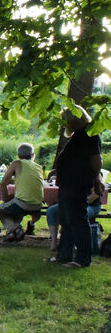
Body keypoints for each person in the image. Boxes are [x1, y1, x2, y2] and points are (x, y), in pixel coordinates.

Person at [51, 106, 103, 267]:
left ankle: (82, 258)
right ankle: (64, 255)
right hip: (68, 184)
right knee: (67, 220)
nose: (65, 124)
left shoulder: (89, 134)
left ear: (74, 119)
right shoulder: (79, 135)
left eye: (66, 120)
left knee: (77, 220)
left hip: (77, 184)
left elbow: (96, 161)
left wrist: (96, 181)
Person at [0, 143, 44, 242]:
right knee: (16, 210)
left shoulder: (17, 163)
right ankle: (14, 234)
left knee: (1, 209)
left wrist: (6, 200)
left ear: (18, 155)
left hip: (23, 204)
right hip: (38, 205)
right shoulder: (38, 167)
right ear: (33, 155)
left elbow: (3, 183)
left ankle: (16, 229)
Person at [45, 183, 104, 251]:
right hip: (73, 203)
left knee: (78, 213)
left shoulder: (96, 183)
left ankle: (74, 245)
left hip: (91, 206)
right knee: (51, 211)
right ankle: (54, 242)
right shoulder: (75, 180)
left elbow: (89, 200)